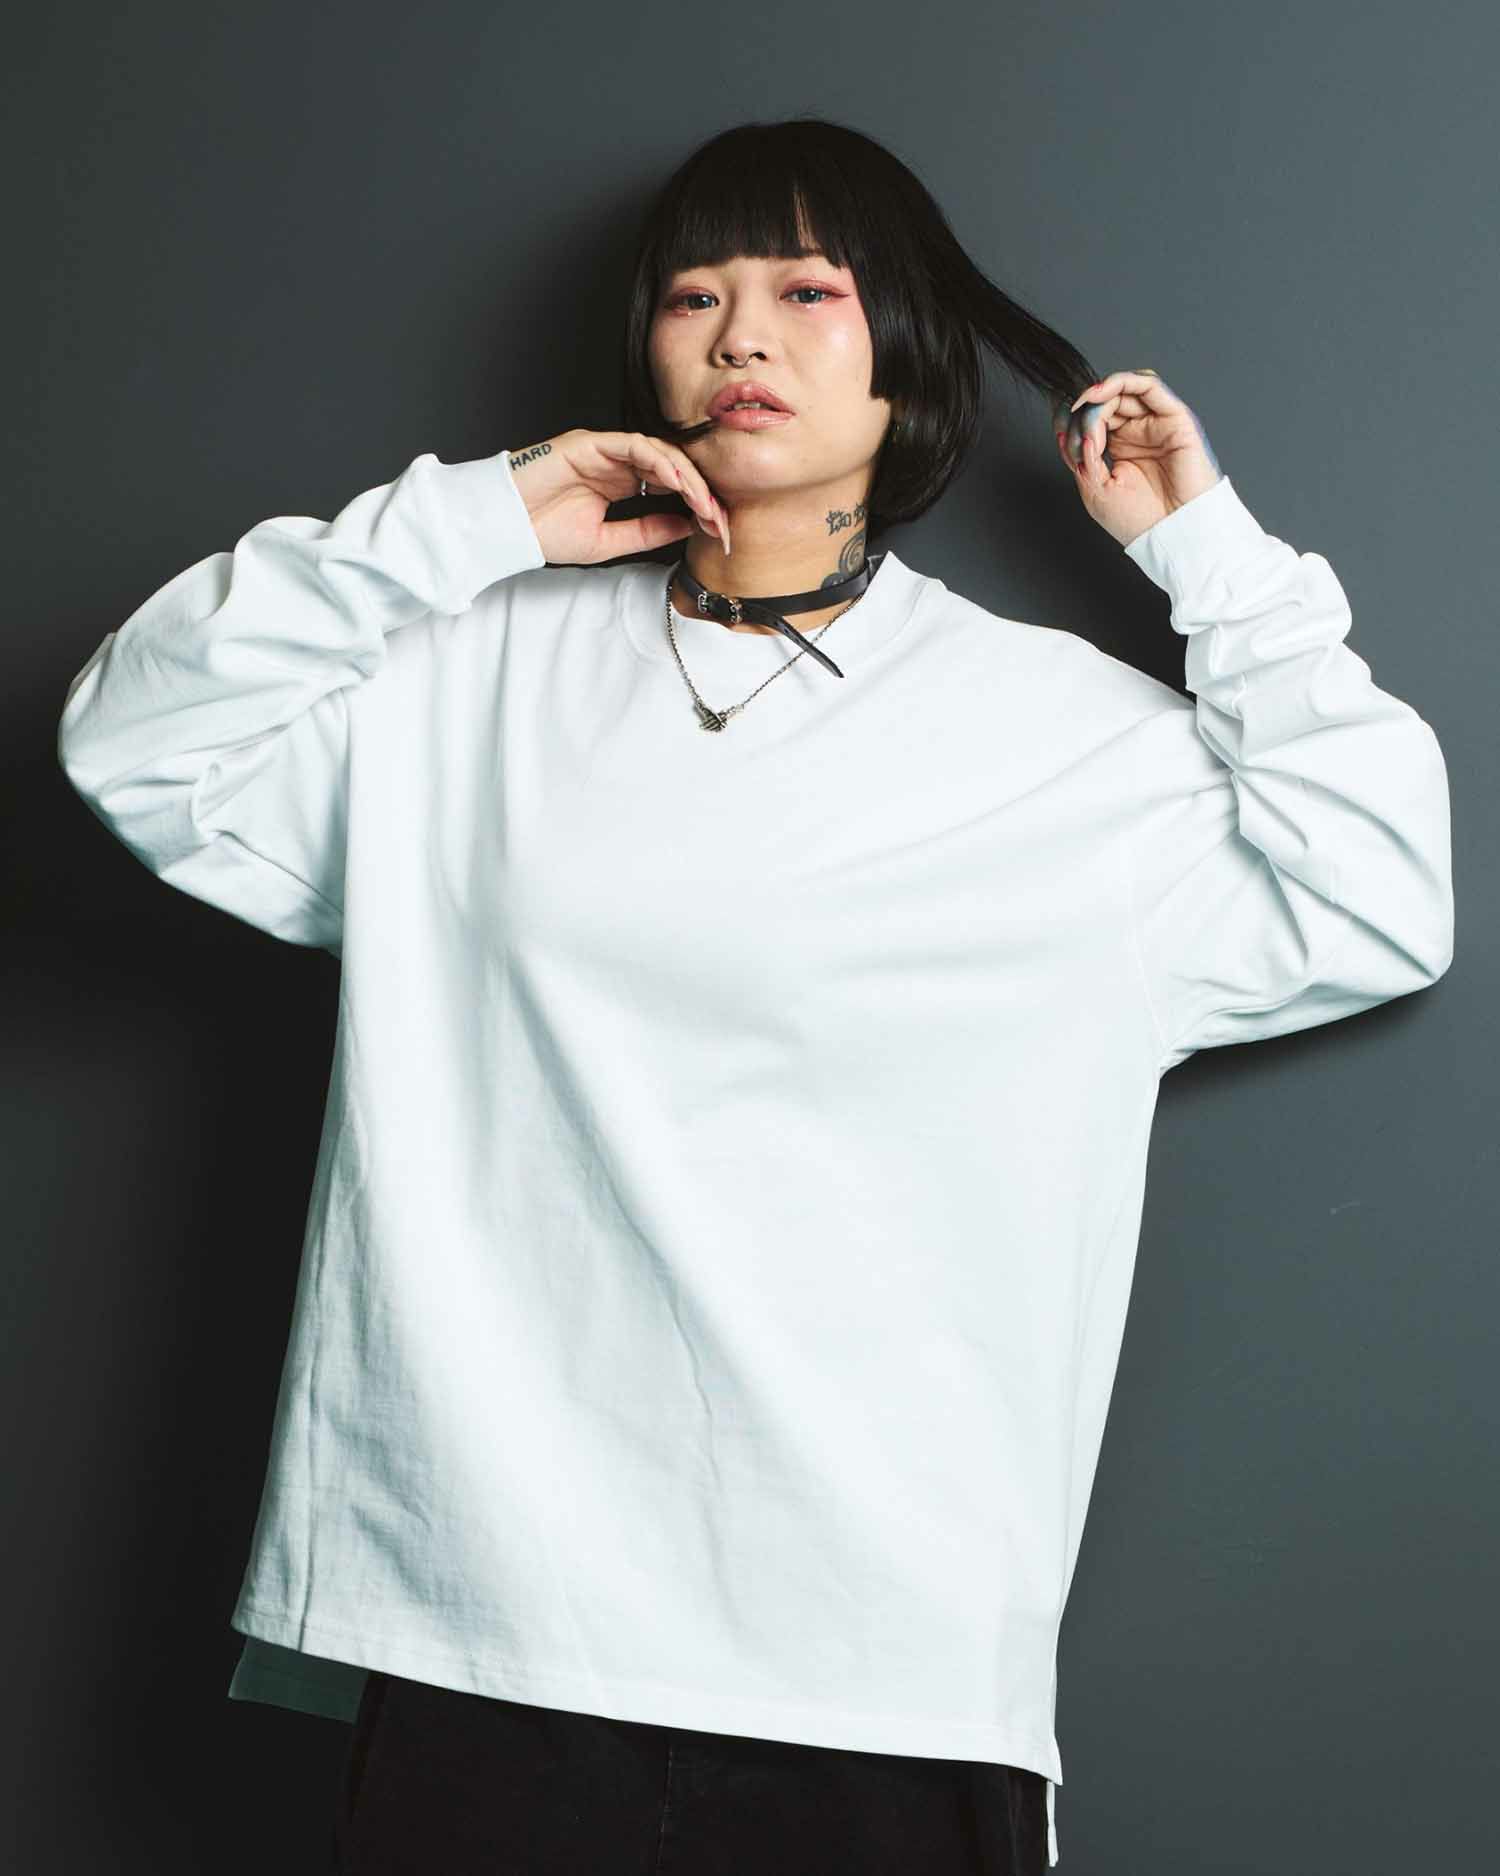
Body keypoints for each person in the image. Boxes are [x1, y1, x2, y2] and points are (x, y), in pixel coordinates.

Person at [55, 116, 1453, 1875]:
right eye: (694, 296)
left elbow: (1381, 895)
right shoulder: (460, 675)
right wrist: (471, 521)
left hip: (881, 1679)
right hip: (480, 1637)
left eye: (807, 291)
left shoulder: (1061, 740)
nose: (740, 336)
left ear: (907, 349)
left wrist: (1211, 555)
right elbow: (138, 740)